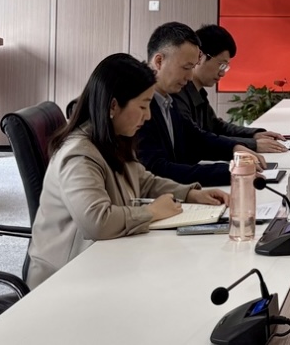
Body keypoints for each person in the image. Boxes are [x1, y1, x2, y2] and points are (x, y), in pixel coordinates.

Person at [26, 54, 229, 288]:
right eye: (143, 106)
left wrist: (190, 194)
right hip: (63, 280)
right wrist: (151, 212)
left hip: (102, 261)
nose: (148, 115)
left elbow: (144, 181)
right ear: (113, 105)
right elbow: (97, 222)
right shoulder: (79, 154)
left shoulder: (114, 138)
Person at [137, 22, 264, 187]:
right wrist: (230, 171)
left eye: (193, 68)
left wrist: (235, 148)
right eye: (186, 68)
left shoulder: (168, 100)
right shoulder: (140, 107)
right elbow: (157, 169)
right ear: (159, 61)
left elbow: (195, 138)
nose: (190, 77)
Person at [173, 24, 286, 153]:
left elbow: (216, 127)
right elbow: (196, 140)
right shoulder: (178, 92)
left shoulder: (199, 92)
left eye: (225, 67)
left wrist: (254, 134)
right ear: (200, 56)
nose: (222, 73)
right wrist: (252, 144)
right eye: (221, 65)